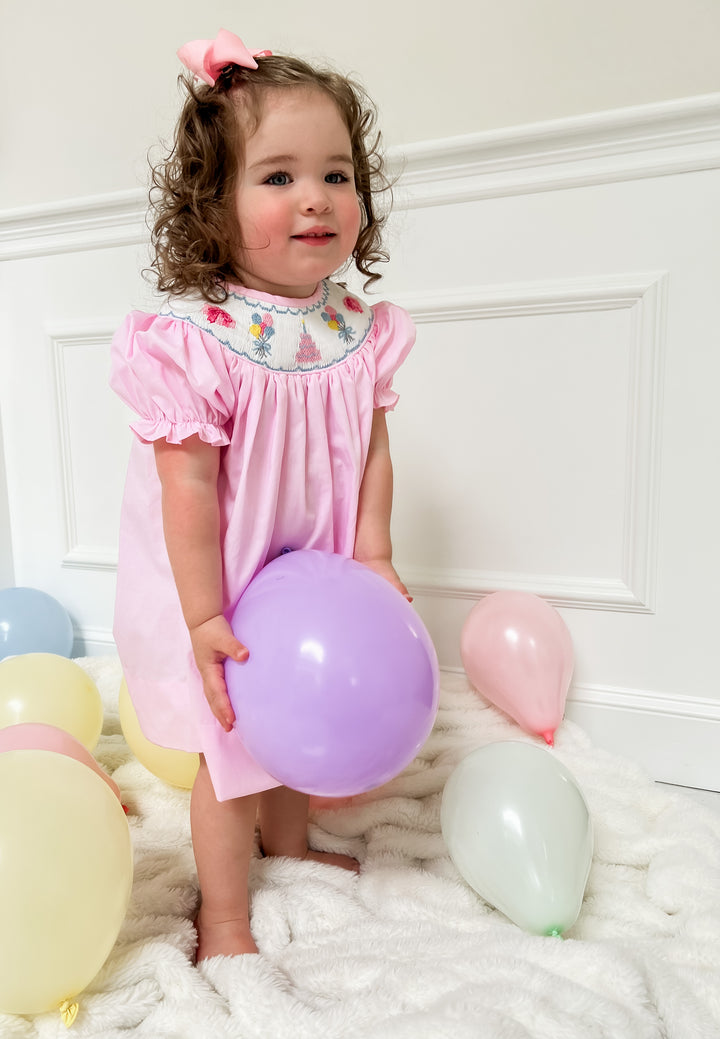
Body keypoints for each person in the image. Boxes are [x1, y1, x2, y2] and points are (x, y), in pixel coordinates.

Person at [110, 29, 415, 962]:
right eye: (277, 177)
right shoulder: (195, 339)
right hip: (225, 579)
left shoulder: (353, 328)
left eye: (337, 174)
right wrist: (204, 613)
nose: (315, 197)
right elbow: (188, 487)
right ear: (213, 205)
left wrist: (371, 551)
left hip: (314, 565)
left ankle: (294, 842)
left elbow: (370, 447)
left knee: (300, 709)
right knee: (233, 749)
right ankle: (226, 917)